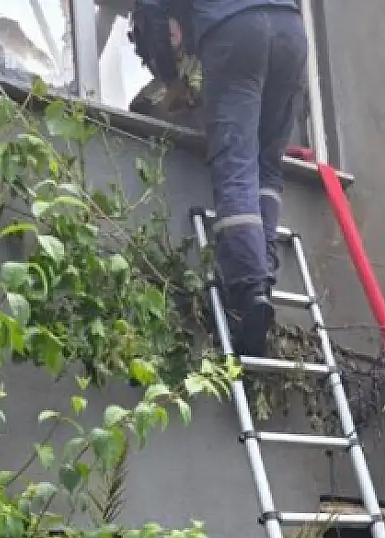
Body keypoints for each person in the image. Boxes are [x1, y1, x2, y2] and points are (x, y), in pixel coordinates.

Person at [131, 0, 307, 356]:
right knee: (266, 165)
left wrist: (167, 73)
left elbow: (151, 7)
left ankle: (248, 291)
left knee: (235, 160)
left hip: (236, 30)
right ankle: (261, 275)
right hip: (291, 29)